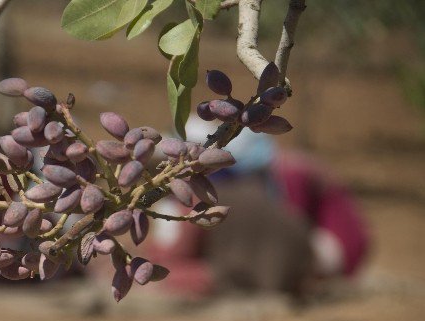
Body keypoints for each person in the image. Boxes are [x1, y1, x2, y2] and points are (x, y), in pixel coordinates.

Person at [147, 116, 370, 299]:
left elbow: (173, 256)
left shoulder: (290, 174)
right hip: (293, 269)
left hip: (316, 257)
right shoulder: (251, 187)